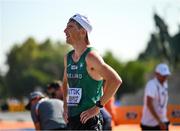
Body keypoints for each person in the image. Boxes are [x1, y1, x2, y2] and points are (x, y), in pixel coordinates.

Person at [62, 13, 122, 130]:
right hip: (72, 120)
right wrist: (65, 107)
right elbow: (65, 83)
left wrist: (97, 107)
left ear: (83, 32)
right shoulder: (68, 57)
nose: (64, 30)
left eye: (70, 27)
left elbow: (115, 80)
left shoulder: (91, 56)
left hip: (89, 121)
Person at [141, 63, 171, 130]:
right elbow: (149, 104)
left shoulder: (165, 84)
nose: (165, 77)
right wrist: (159, 121)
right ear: (157, 73)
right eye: (163, 75)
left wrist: (162, 120)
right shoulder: (152, 85)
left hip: (162, 121)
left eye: (166, 75)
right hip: (149, 124)